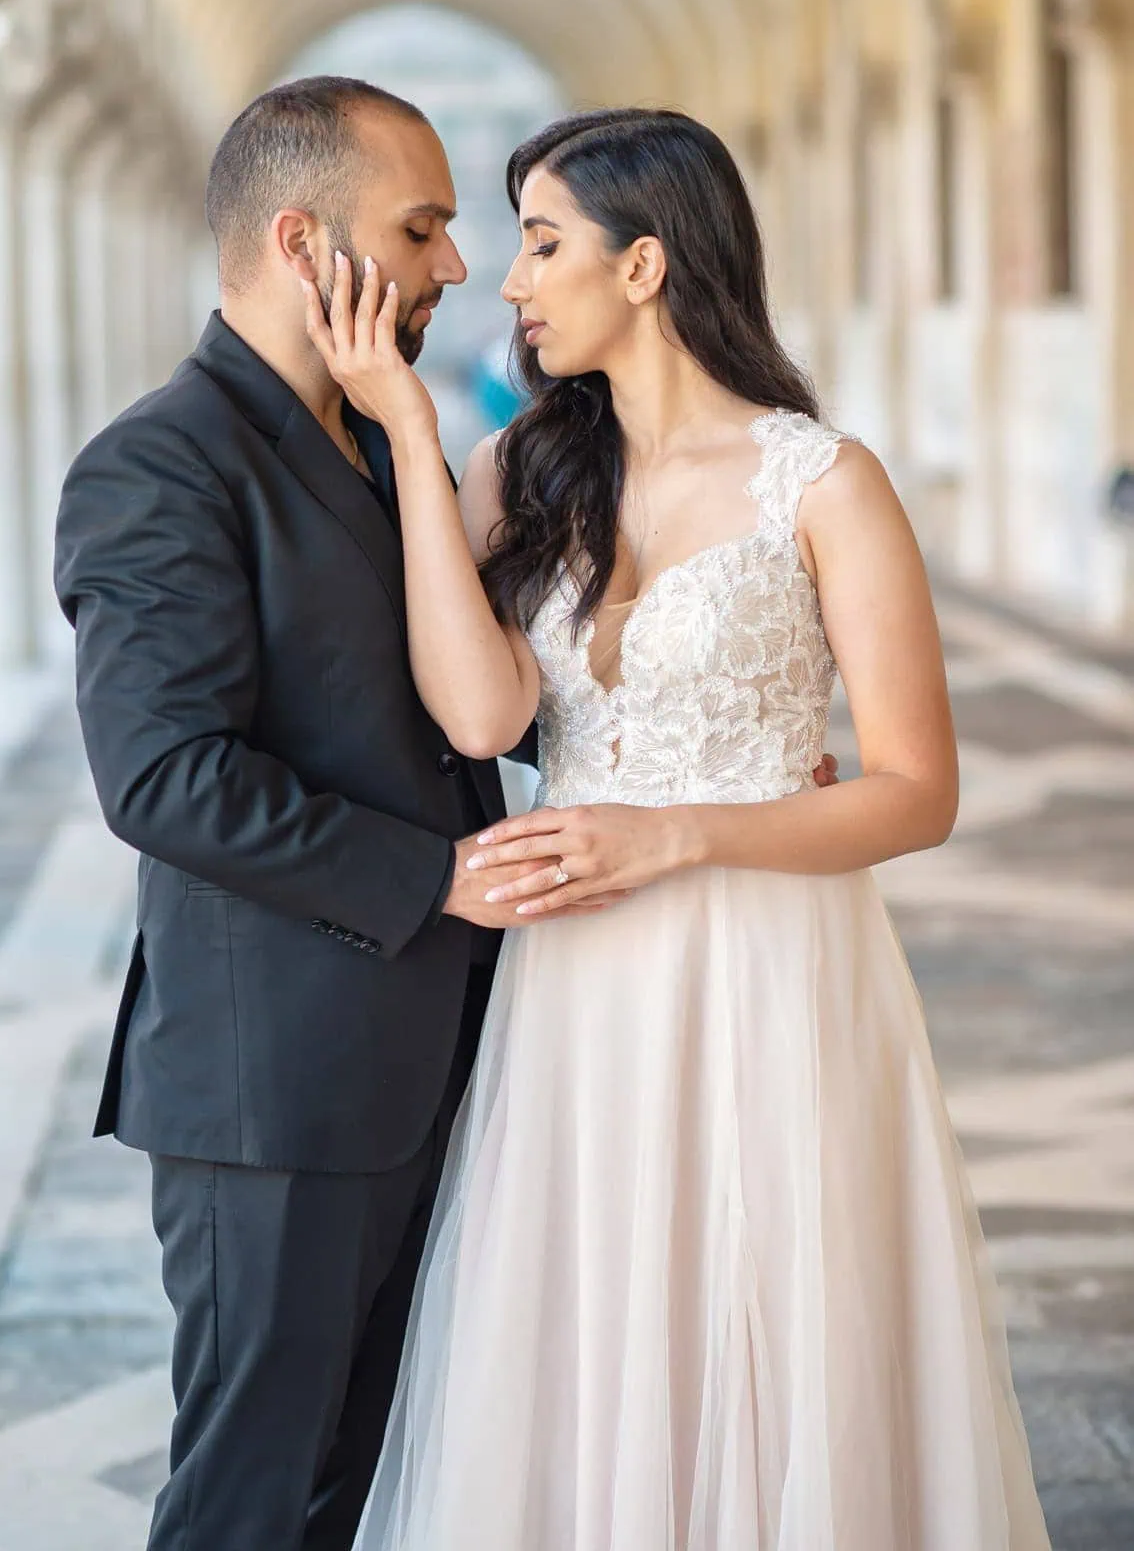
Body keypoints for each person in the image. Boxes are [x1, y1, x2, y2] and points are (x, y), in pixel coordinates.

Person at [300, 108, 1053, 1550]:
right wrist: (406, 426)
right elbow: (476, 715)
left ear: (643, 264)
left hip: (769, 962)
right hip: (578, 987)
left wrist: (678, 837)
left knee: (771, 1320)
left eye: (538, 243)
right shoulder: (521, 470)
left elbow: (916, 788)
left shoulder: (822, 483)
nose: (506, 283)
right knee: (588, 1335)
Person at [53, 78, 636, 1551]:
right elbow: (164, 777)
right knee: (249, 1498)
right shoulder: (157, 465)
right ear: (306, 243)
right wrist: (434, 878)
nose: (457, 266)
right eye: (424, 227)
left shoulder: (385, 440)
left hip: (434, 1056)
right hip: (281, 1089)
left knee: (357, 1487)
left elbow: (467, 693)